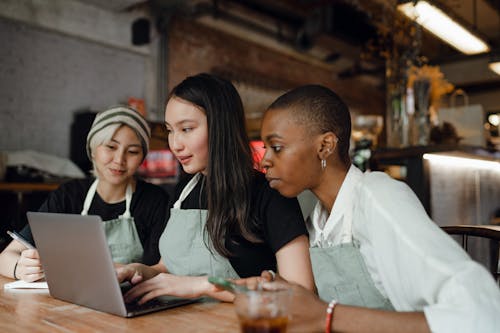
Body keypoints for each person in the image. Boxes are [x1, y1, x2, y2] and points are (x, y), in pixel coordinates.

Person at [250, 84, 500, 332]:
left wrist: (326, 317)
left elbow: (483, 313)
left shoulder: (379, 198)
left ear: (325, 146)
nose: (264, 161)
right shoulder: (317, 220)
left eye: (277, 148)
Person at [116, 73, 315, 303]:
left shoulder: (270, 195)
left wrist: (205, 286)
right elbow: (169, 266)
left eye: (187, 129)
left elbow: (301, 293)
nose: (175, 144)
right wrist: (142, 271)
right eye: (170, 130)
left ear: (221, 126)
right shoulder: (184, 191)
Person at [0, 106, 169, 282]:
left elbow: (156, 271)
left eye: (132, 151)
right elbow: (5, 257)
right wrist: (20, 269)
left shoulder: (154, 201)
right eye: (111, 147)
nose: (119, 160)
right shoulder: (68, 195)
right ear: (93, 149)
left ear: (142, 158)